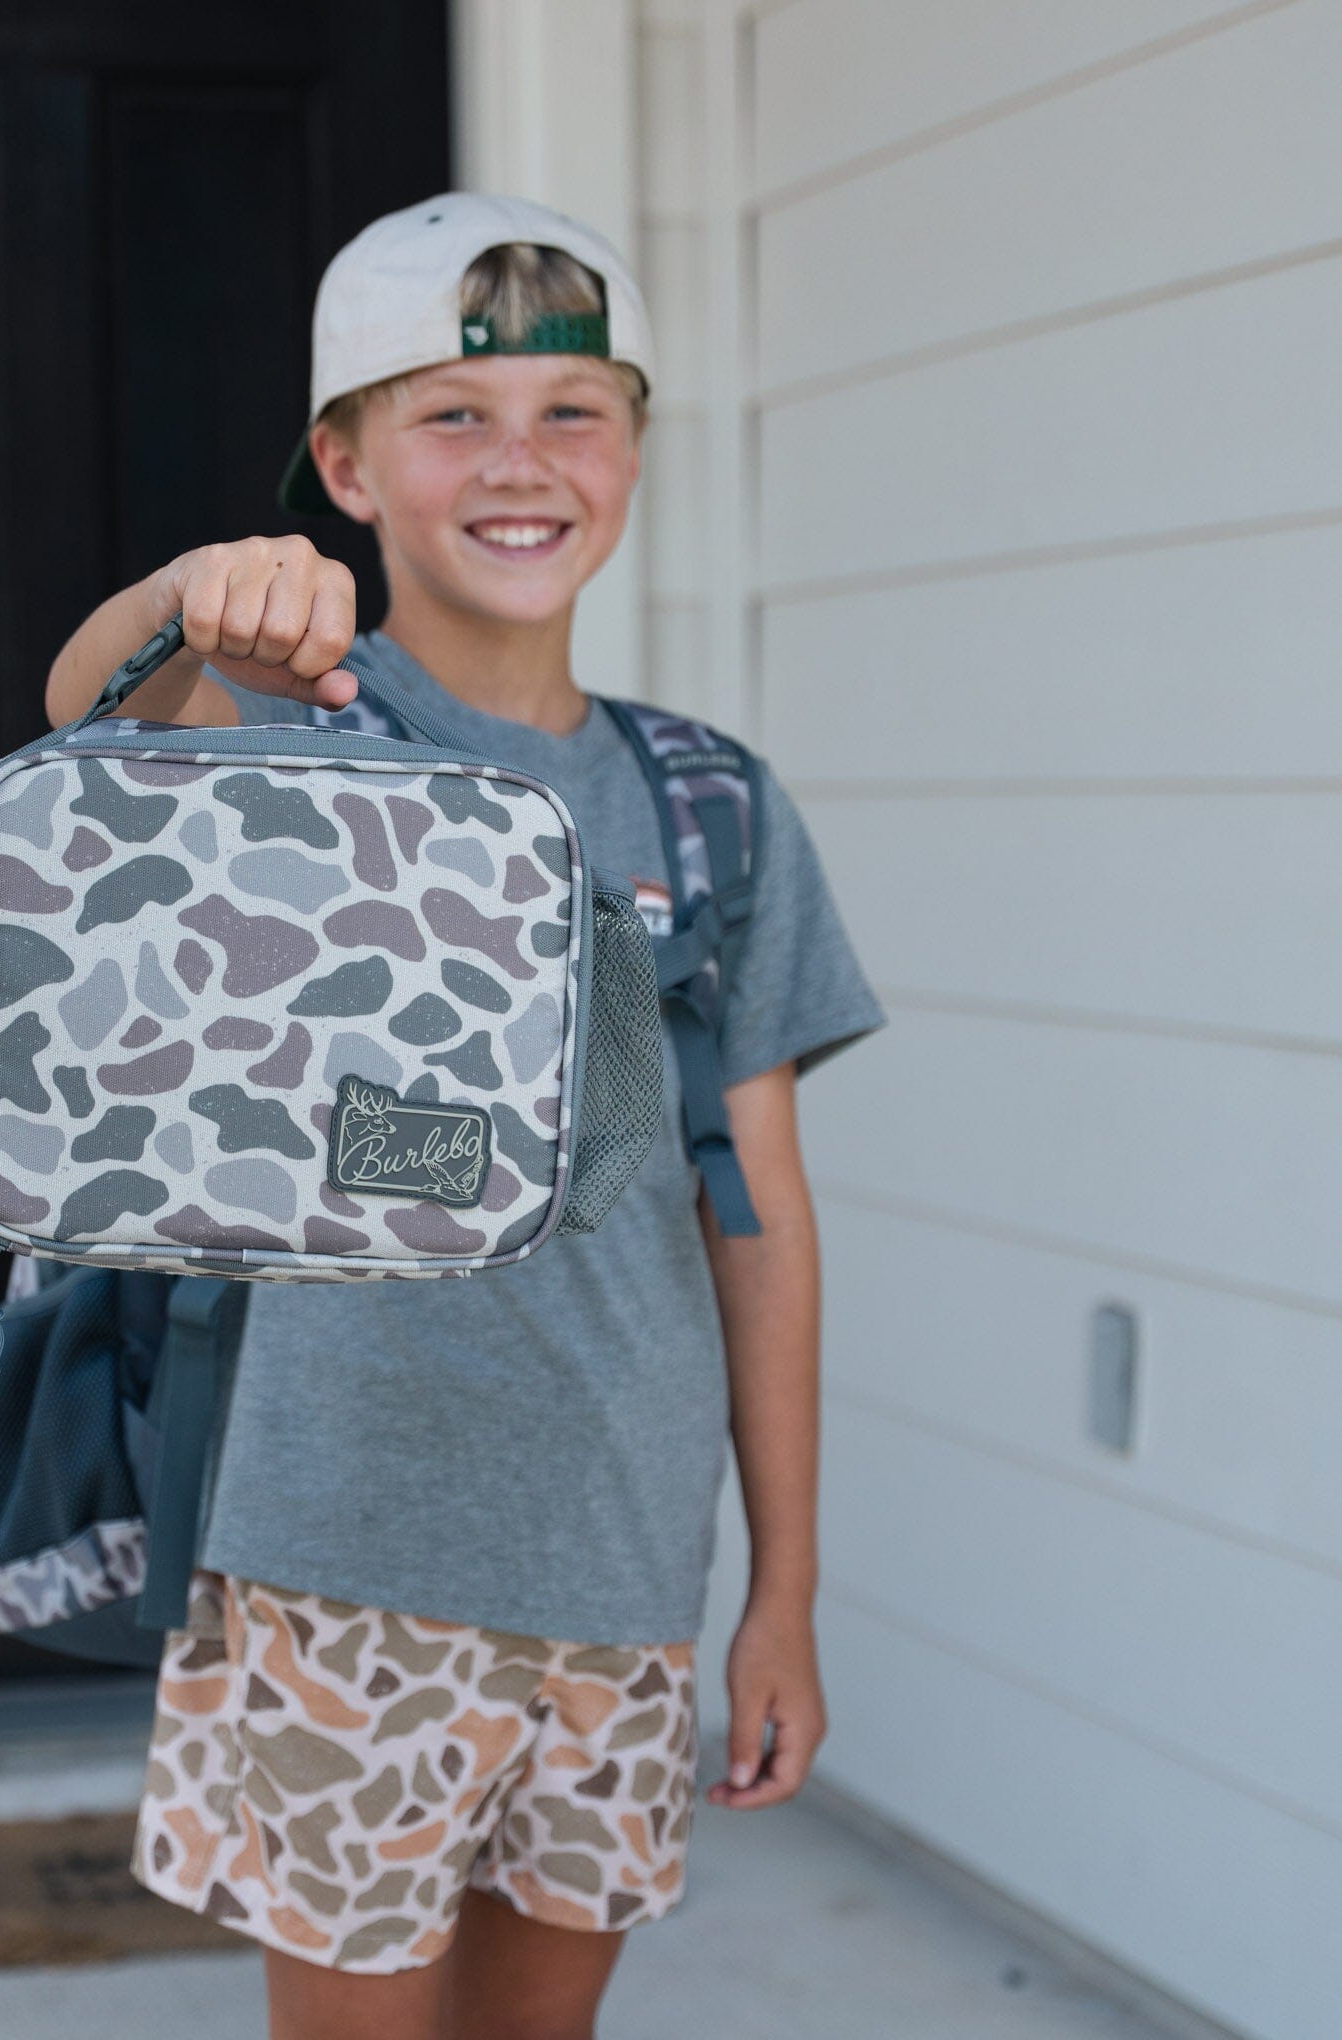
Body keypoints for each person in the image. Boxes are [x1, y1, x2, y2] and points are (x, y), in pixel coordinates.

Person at [44, 192, 885, 2040]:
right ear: (346, 464)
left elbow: (762, 1221)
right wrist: (194, 599)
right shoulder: (290, 727)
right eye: (454, 415)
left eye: (576, 410)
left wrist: (785, 1593)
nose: (523, 463)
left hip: (622, 1572)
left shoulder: (713, 807)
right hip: (340, 1558)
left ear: (636, 450)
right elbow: (95, 711)